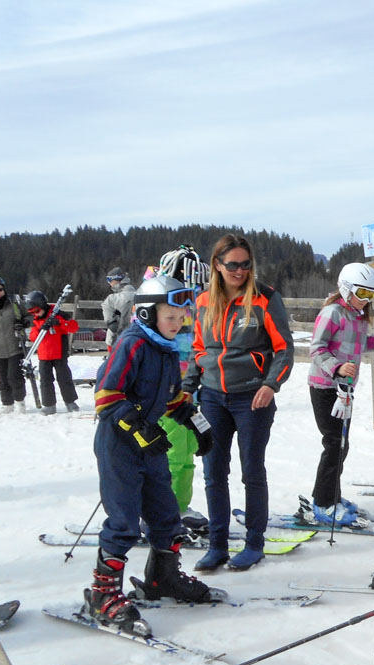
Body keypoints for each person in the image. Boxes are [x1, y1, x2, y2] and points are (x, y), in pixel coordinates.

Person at [85, 274, 216, 634]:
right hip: (120, 446)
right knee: (123, 521)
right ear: (146, 314)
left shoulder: (167, 349)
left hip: (151, 444)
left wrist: (194, 421)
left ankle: (163, 577)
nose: (178, 323)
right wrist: (139, 429)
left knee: (165, 513)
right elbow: (107, 396)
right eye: (170, 317)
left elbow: (171, 396)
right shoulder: (132, 345)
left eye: (182, 317)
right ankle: (103, 592)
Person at [183, 234, 294, 572]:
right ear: (217, 265)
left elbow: (284, 349)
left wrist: (271, 384)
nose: (241, 271)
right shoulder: (204, 301)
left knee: (252, 470)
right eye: (233, 265)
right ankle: (217, 545)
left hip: (252, 397)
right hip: (213, 396)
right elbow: (198, 348)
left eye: (246, 265)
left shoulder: (264, 299)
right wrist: (189, 385)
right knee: (213, 472)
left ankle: (254, 542)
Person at [301, 262, 374, 527]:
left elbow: (360, 343)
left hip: (345, 390)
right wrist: (337, 367)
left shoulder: (357, 317)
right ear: (346, 289)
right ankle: (322, 504)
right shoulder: (332, 313)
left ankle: (332, 496)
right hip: (325, 387)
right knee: (334, 444)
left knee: (341, 445)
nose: (366, 301)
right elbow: (317, 349)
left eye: (371, 295)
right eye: (362, 294)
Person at [157, 245, 211, 523]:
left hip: (190, 390)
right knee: (174, 454)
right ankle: (164, 512)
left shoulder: (196, 305)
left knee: (187, 450)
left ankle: (179, 506)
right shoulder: (161, 307)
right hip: (167, 392)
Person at [25, 290, 80, 415]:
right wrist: (40, 328)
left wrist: (59, 323)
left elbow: (73, 327)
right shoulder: (36, 320)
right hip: (44, 356)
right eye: (32, 312)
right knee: (45, 380)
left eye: (36, 310)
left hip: (59, 354)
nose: (35, 314)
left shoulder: (58, 314)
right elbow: (33, 337)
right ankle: (49, 405)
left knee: (64, 378)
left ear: (42, 305)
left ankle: (70, 402)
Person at [0, 275, 29, 413]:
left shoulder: (14, 304)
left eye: (0, 289)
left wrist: (24, 322)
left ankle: (20, 401)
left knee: (14, 376)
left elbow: (29, 315)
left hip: (15, 346)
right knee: (3, 378)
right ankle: (7, 404)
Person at [101, 267, 136, 349]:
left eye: (109, 280)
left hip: (117, 340)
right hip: (136, 336)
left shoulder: (112, 299)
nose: (109, 283)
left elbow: (110, 321)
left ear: (116, 280)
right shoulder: (139, 294)